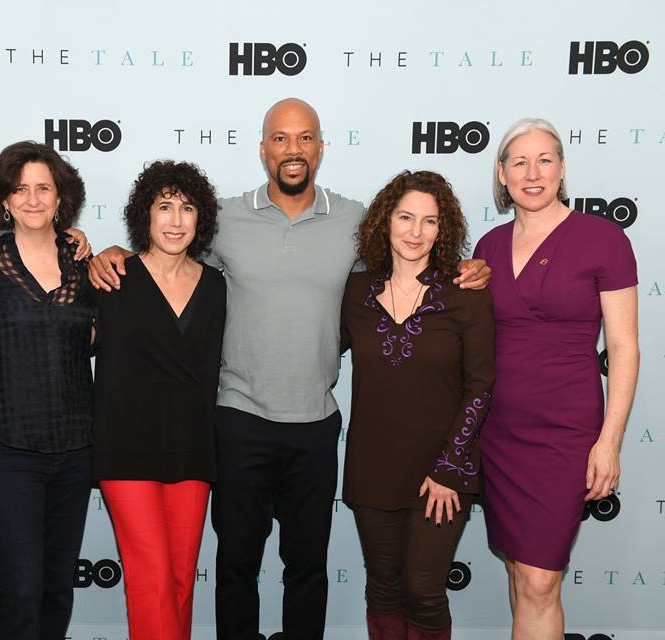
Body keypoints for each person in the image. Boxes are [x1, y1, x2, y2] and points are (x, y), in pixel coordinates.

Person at [89, 98, 490, 639]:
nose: (292, 149)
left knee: (307, 571)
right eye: (280, 138)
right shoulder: (223, 217)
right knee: (235, 568)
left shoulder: (354, 220)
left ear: (321, 148)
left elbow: (408, 255)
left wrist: (462, 265)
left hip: (315, 424)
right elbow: (166, 256)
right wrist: (112, 249)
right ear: (262, 149)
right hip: (237, 419)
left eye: (304, 138)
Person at [475, 118, 639, 639]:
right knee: (521, 572)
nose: (532, 173)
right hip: (498, 433)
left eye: (544, 160)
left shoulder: (603, 239)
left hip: (566, 434)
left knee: (542, 581)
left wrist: (608, 442)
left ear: (563, 168)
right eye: (519, 162)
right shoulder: (489, 247)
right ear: (501, 174)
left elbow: (624, 348)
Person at [340, 171, 494, 640]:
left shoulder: (466, 294)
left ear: (442, 230)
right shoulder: (355, 292)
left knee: (424, 590)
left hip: (443, 472)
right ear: (384, 222)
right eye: (405, 217)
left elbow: (481, 385)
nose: (415, 231)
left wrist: (449, 468)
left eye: (429, 221)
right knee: (383, 589)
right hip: (372, 468)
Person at [0, 140, 95, 640]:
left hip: (75, 447)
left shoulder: (85, 265)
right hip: (5, 447)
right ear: (4, 200)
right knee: (21, 586)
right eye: (21, 189)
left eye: (44, 187)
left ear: (61, 198)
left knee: (58, 586)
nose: (33, 198)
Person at [93, 160, 226, 640]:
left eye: (186, 208)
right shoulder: (111, 278)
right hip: (125, 448)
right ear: (144, 216)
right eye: (164, 207)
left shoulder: (216, 286)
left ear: (200, 219)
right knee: (150, 578)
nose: (175, 220)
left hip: (192, 448)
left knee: (179, 580)